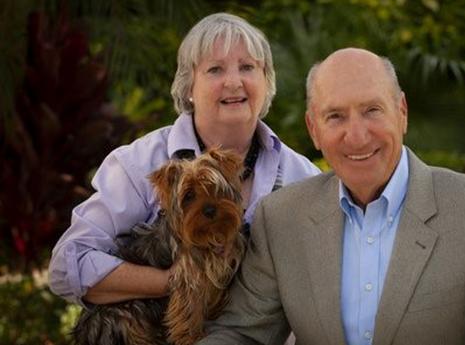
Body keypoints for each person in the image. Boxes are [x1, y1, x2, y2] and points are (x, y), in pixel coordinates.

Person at [196, 48, 465, 345]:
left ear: (402, 112)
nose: (357, 135)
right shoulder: (281, 218)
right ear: (313, 129)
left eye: (372, 110)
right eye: (335, 116)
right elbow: (241, 334)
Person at [48, 13, 320, 308]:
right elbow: (69, 264)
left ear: (265, 81)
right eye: (215, 70)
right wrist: (174, 281)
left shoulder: (302, 176)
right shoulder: (139, 165)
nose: (233, 82)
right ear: (189, 87)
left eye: (247, 67)